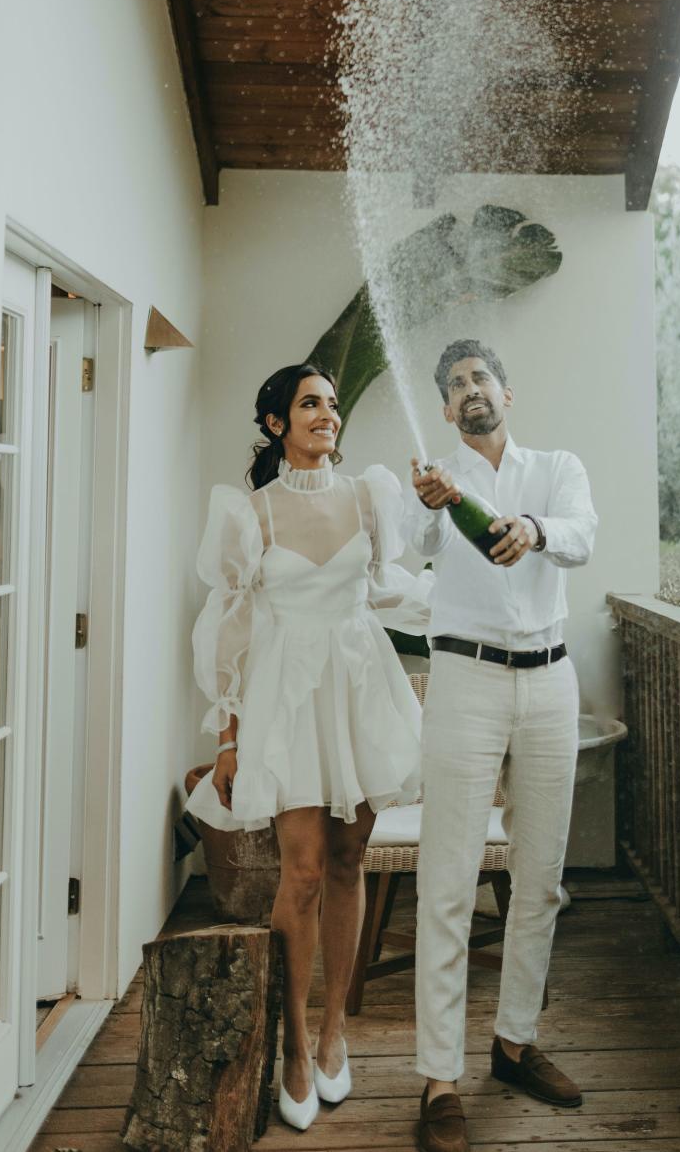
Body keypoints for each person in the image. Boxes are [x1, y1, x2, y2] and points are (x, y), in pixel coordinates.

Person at [185, 363, 431, 1133]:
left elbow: (392, 587)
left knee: (352, 858)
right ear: (275, 424)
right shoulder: (248, 514)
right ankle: (292, 1042)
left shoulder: (369, 496)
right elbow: (229, 625)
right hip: (287, 700)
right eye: (308, 403)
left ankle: (334, 1031)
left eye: (329, 403)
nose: (326, 413)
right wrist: (227, 735)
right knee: (301, 869)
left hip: (358, 690)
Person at [404, 339, 597, 1152]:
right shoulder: (432, 482)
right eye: (454, 384)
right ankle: (440, 1078)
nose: (469, 389)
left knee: (540, 878)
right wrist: (433, 503)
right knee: (448, 881)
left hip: (551, 681)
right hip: (467, 682)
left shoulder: (557, 468)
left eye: (480, 376)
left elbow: (582, 535)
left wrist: (533, 529)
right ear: (446, 411)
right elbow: (412, 548)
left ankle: (514, 1043)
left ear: (506, 394)